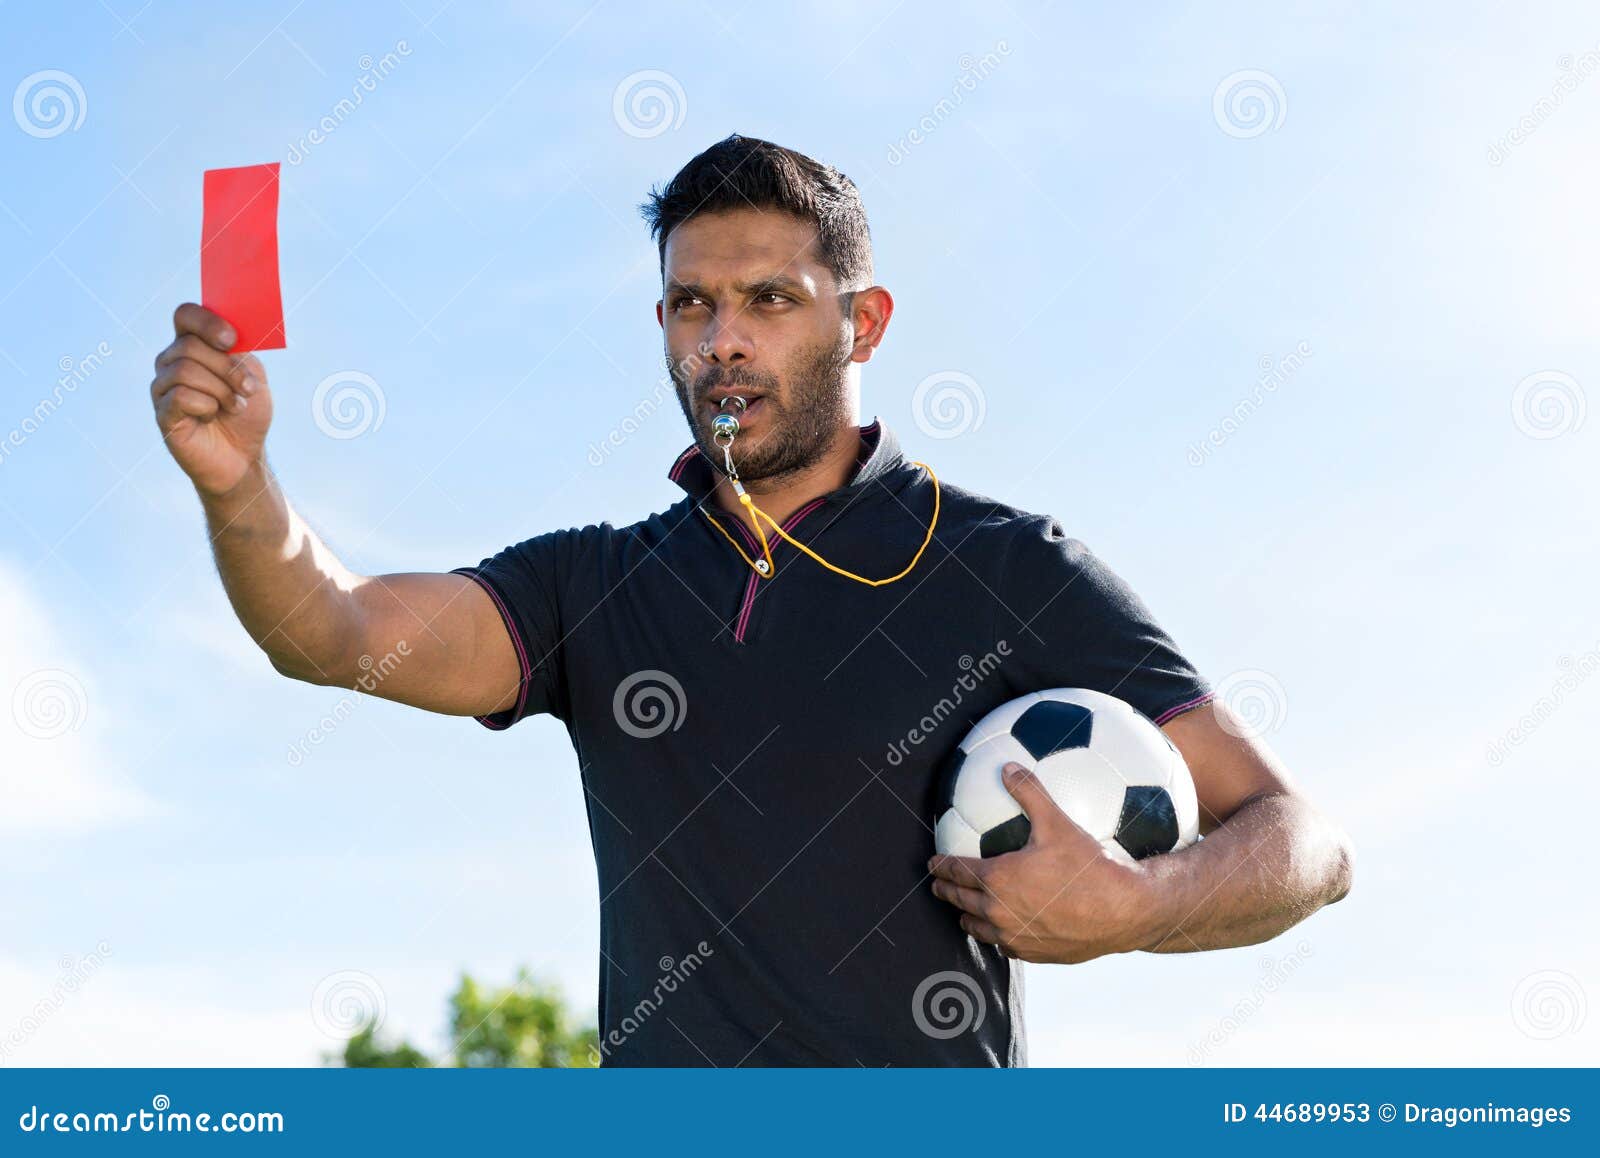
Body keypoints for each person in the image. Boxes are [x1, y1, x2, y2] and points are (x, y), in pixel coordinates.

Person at [150, 134, 1352, 1066]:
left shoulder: (1005, 564)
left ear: (860, 320)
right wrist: (241, 485)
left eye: (768, 300)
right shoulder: (593, 586)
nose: (722, 341)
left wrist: (1141, 902)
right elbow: (331, 631)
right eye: (690, 305)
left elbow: (1301, 842)